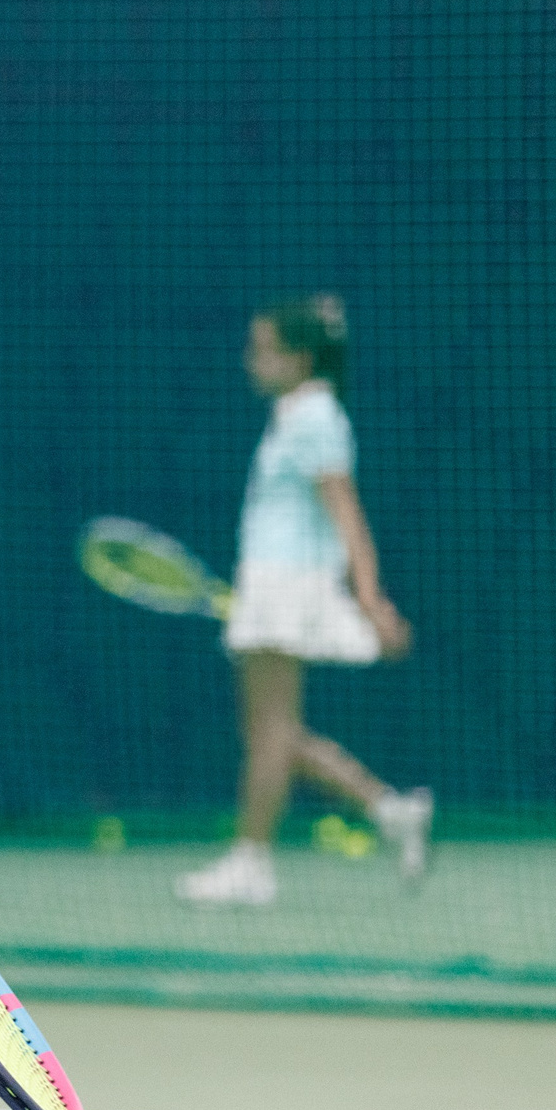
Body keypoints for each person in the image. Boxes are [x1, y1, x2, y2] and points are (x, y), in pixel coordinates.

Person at [175, 294, 432, 909]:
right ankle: (389, 808)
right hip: (272, 580)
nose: (250, 361)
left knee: (269, 733)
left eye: (263, 350)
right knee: (274, 734)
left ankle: (251, 863)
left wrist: (370, 599)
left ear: (300, 358)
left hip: (288, 586)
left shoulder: (314, 415)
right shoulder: (296, 413)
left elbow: (347, 514)